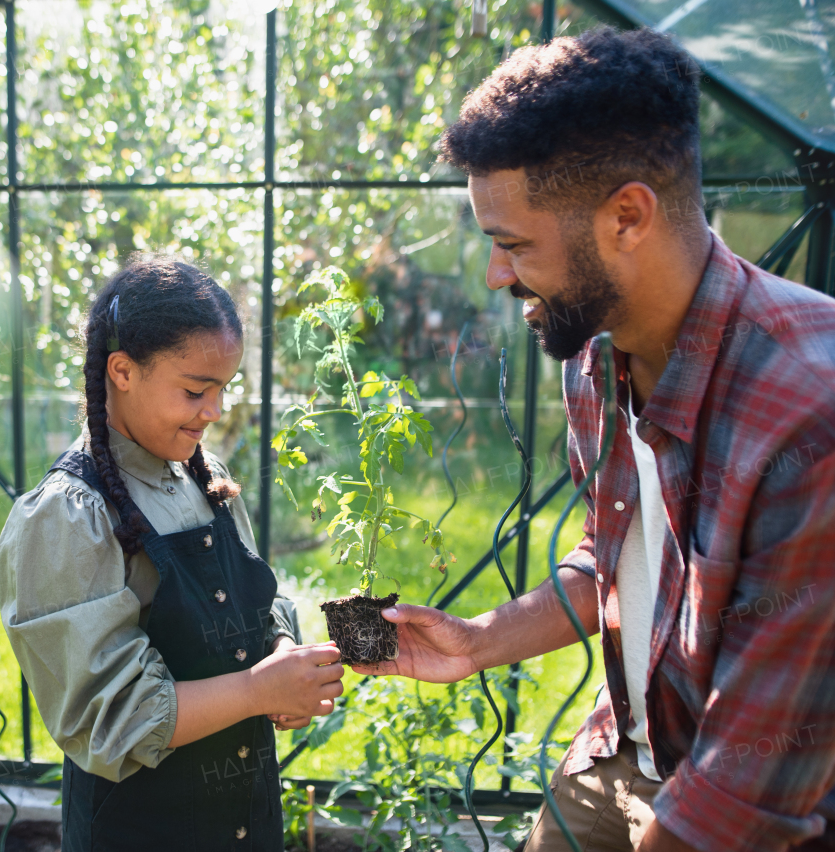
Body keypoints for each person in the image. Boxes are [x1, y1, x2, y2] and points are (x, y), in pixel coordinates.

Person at [353, 26, 835, 852]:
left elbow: (742, 802)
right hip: (624, 750)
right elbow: (615, 556)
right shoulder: (594, 351)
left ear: (627, 217)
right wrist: (480, 642)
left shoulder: (808, 415)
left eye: (512, 245)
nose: (497, 277)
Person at [0, 256, 345, 852]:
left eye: (223, 390)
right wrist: (258, 691)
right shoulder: (68, 516)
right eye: (194, 390)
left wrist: (281, 652)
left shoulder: (204, 479)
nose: (214, 412)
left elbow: (258, 602)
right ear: (123, 371)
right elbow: (112, 720)